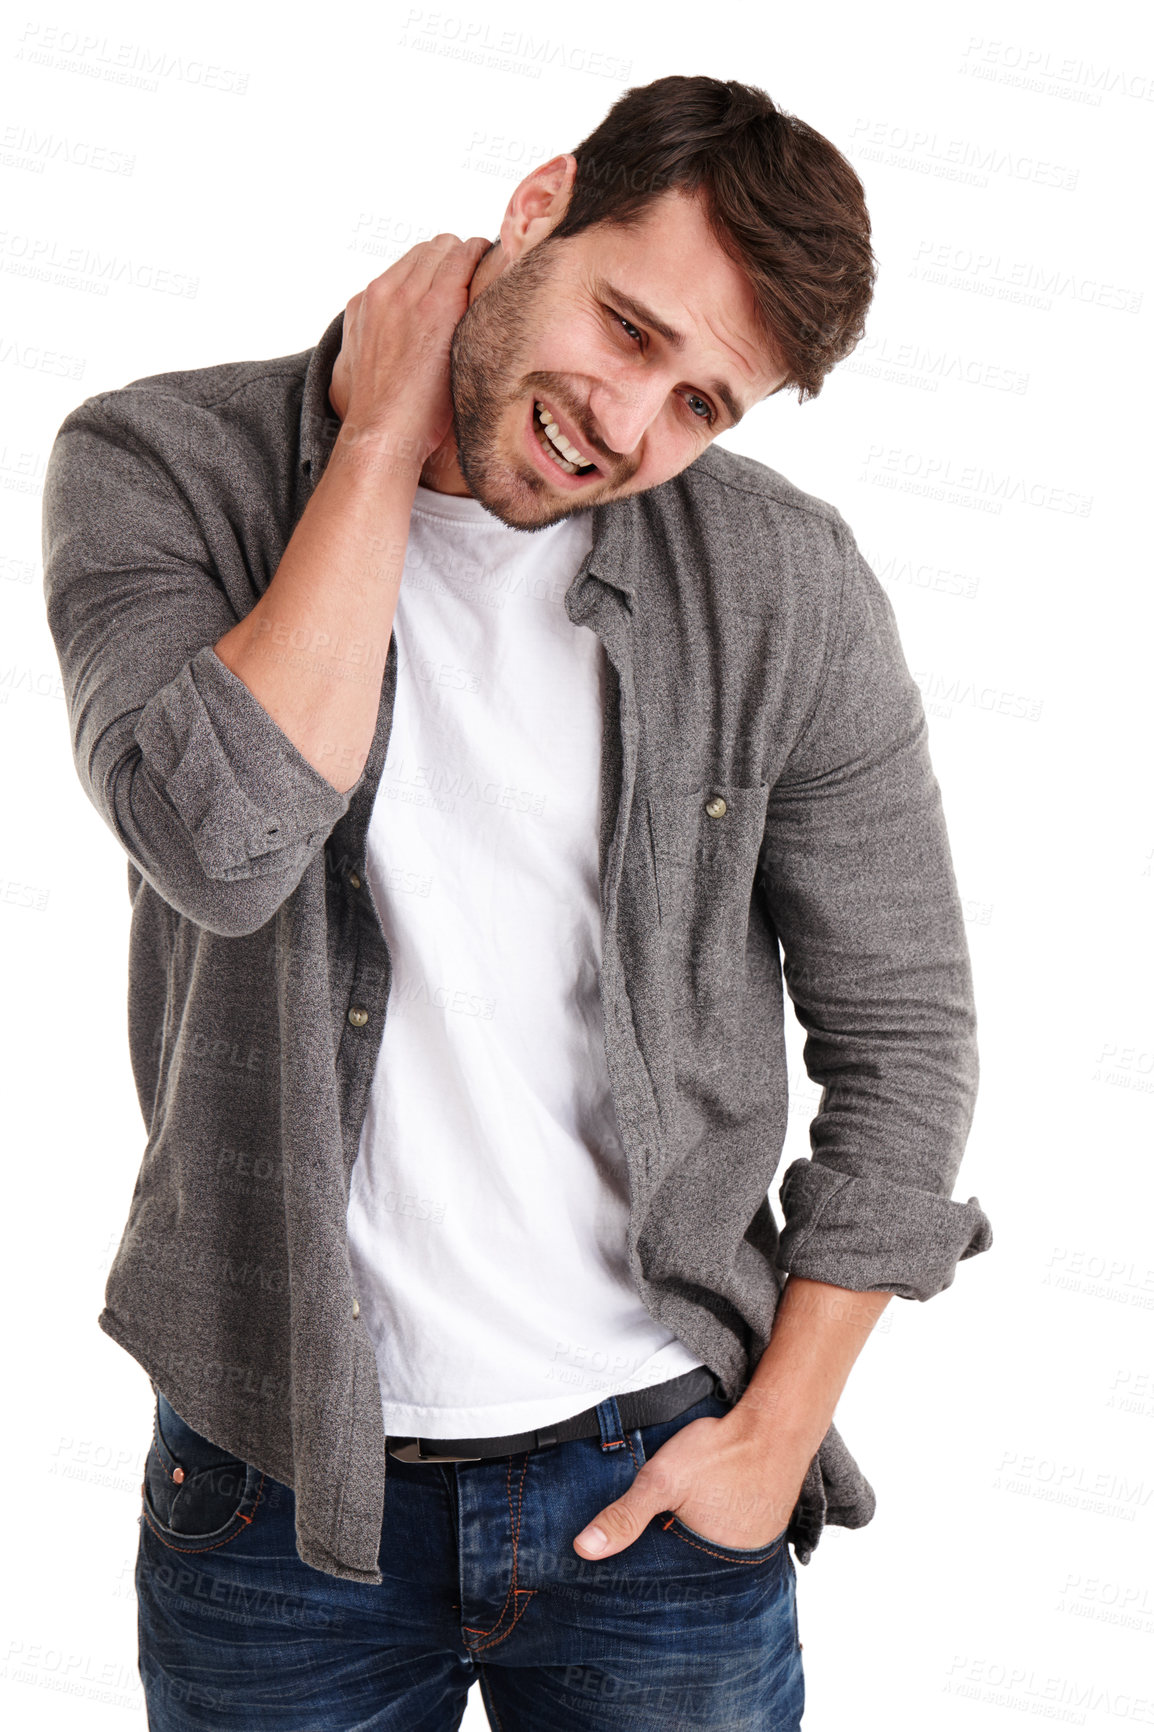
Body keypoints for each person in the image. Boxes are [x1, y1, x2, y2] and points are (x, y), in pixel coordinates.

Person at [42, 73, 992, 1731]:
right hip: (273, 1503)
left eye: (702, 404)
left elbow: (903, 1033)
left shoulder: (785, 585)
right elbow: (220, 843)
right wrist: (378, 444)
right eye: (629, 333)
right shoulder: (162, 467)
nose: (630, 428)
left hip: (657, 1495)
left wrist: (770, 1444)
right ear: (537, 203)